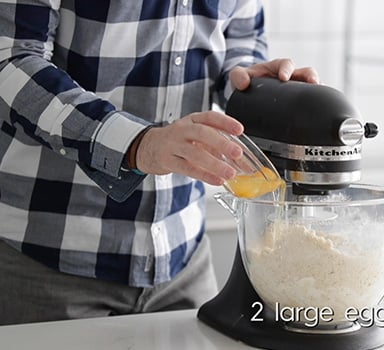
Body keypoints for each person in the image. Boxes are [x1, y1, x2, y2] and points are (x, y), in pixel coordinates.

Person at [0, 0, 318, 325]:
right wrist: (140, 144)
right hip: (47, 261)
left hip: (183, 262)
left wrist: (259, 90)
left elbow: (240, 49)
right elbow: (11, 62)